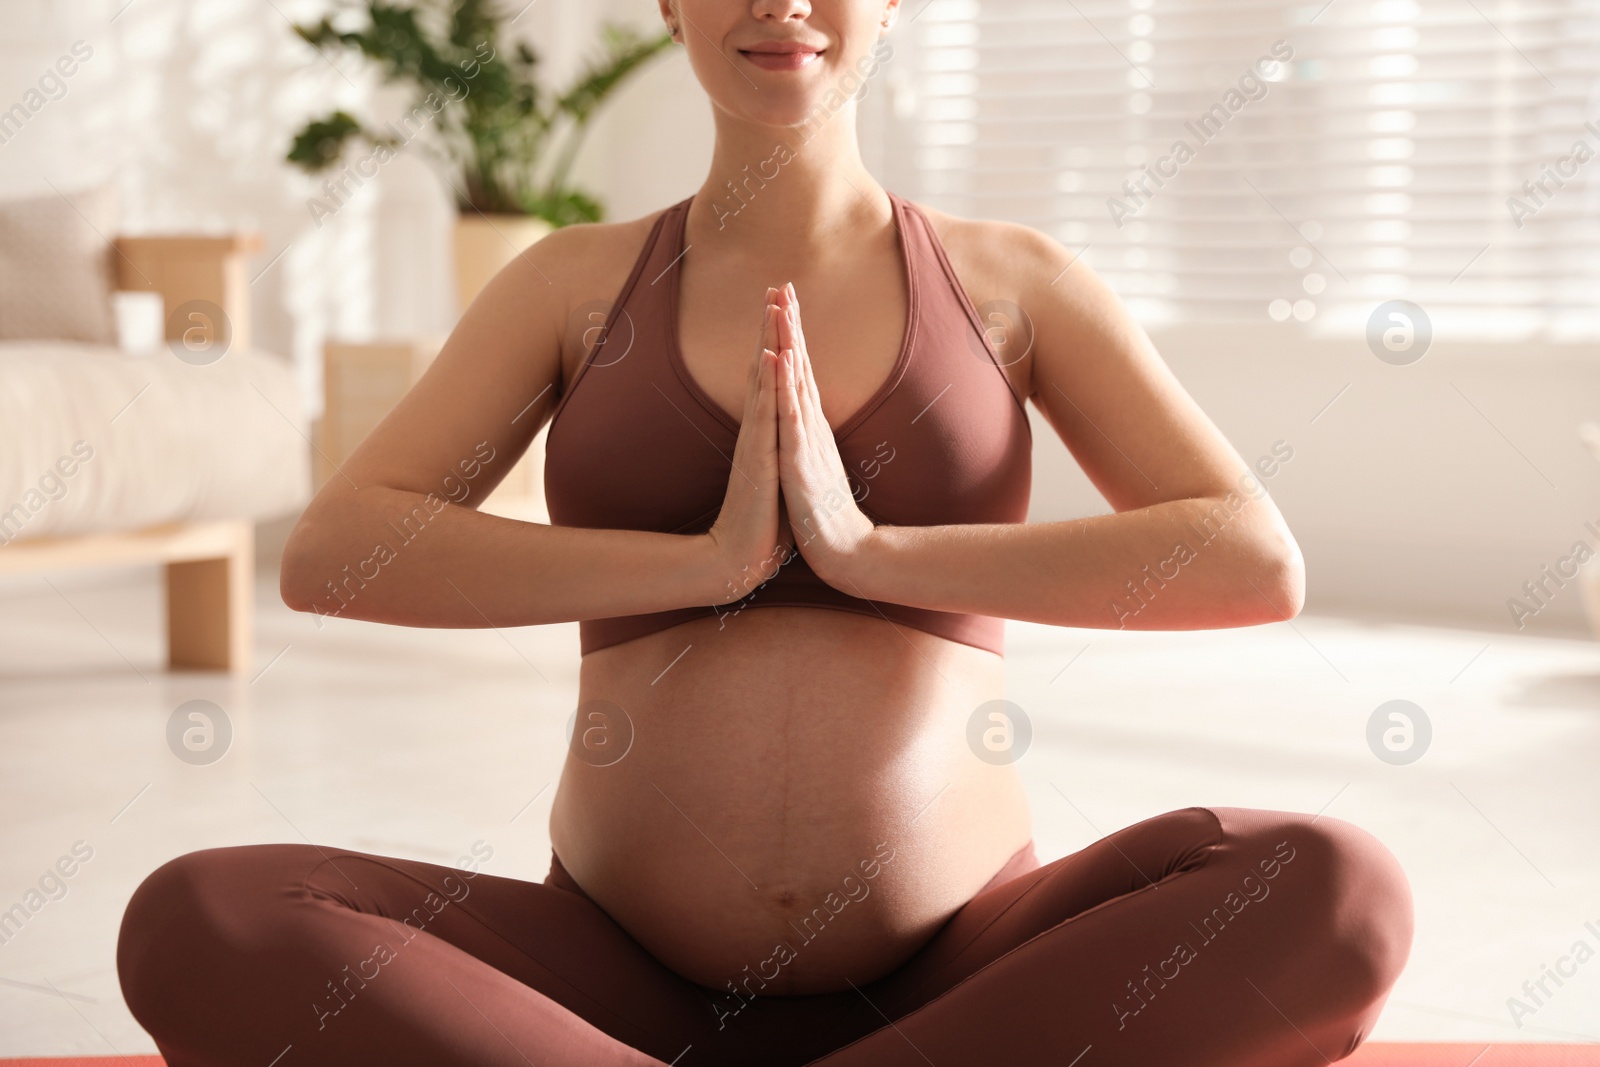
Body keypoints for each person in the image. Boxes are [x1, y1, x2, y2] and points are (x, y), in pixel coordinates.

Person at [116, 1, 1413, 1064]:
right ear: (669, 7)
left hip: (964, 978)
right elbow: (338, 552)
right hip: (609, 984)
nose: (780, 4)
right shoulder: (571, 285)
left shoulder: (1016, 283)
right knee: (203, 919)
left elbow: (1251, 561)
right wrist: (703, 566)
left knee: (1337, 889)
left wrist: (872, 555)